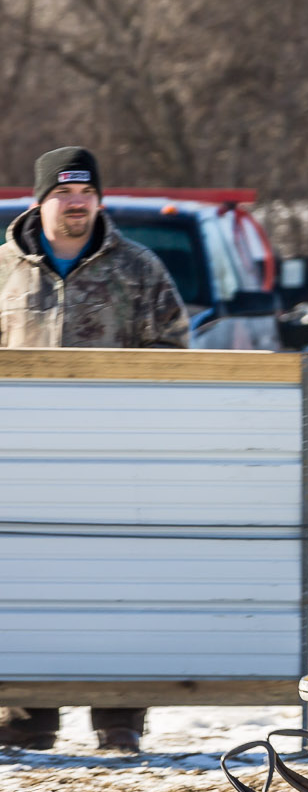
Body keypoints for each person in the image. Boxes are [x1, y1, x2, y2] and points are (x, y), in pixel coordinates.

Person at [0, 145, 188, 755]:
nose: (75, 203)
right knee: (27, 583)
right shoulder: (4, 271)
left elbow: (174, 355)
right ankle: (28, 715)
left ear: (100, 200)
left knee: (119, 586)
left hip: (117, 464)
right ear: (39, 201)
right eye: (62, 193)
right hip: (22, 464)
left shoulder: (140, 269)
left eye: (85, 192)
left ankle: (119, 714)